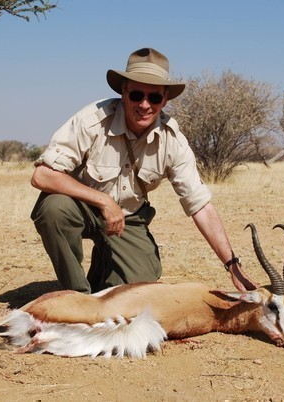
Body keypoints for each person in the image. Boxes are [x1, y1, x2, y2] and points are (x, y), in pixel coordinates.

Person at [30, 47, 249, 294]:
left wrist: (231, 263)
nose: (145, 105)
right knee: (54, 208)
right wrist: (102, 201)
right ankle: (77, 297)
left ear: (165, 99)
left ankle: (106, 265)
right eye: (136, 95)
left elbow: (200, 206)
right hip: (81, 208)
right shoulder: (92, 120)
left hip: (129, 219)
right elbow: (42, 175)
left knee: (139, 290)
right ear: (123, 93)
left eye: (154, 98)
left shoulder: (173, 141)